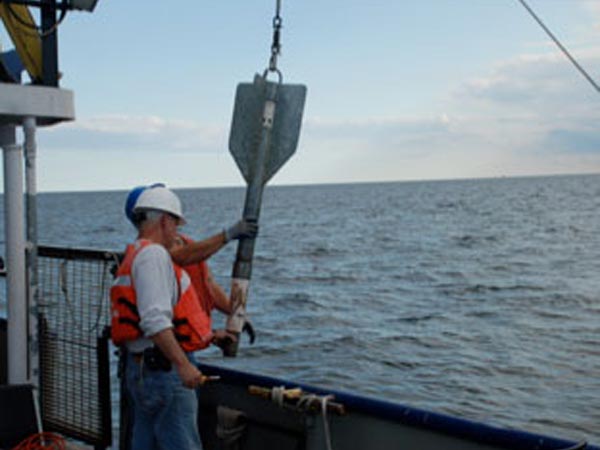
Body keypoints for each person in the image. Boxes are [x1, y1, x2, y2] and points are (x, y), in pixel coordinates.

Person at [110, 185, 253, 450]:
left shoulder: (136, 254)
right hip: (163, 371)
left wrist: (210, 337)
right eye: (175, 224)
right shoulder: (154, 256)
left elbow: (169, 318)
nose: (177, 232)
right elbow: (155, 320)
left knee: (145, 441)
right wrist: (183, 365)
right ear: (164, 220)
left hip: (142, 369)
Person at [124, 184, 257, 348]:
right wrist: (228, 235)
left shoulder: (186, 244)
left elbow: (209, 285)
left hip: (182, 345)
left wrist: (236, 313)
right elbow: (182, 256)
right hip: (165, 351)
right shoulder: (153, 256)